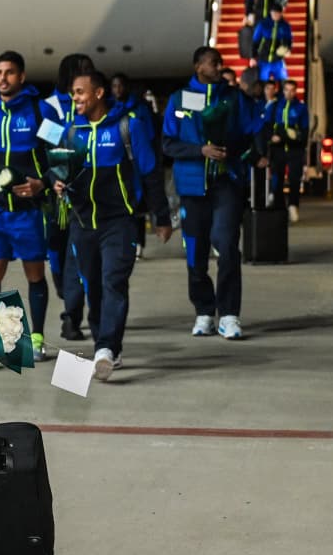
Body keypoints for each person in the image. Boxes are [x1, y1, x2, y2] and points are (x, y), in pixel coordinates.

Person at [54, 70, 171, 380]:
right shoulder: (72, 131)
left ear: (98, 93)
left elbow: (150, 172)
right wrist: (57, 182)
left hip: (119, 222)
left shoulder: (127, 127)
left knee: (113, 282)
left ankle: (107, 347)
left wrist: (161, 216)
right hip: (82, 223)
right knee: (92, 286)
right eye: (73, 93)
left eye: (80, 92)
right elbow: (60, 170)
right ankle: (104, 346)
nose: (75, 98)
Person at [163, 47, 261, 341]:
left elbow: (252, 131)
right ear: (198, 66)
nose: (220, 67)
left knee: (227, 245)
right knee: (196, 252)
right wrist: (200, 150)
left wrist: (240, 153)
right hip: (192, 185)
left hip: (226, 182)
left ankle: (229, 314)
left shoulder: (233, 98)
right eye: (214, 63)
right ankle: (204, 311)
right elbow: (168, 143)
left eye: (220, 63)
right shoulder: (179, 99)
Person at [0, 50, 51, 365]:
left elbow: (58, 153)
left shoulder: (40, 110)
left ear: (22, 76)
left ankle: (37, 339)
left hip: (29, 209)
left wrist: (42, 183)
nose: (3, 78)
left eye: (10, 72)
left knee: (34, 273)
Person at [42, 53, 95, 340]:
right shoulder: (51, 107)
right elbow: (47, 148)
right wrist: (54, 179)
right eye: (80, 70)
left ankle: (72, 316)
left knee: (78, 256)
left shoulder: (93, 102)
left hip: (88, 193)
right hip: (58, 192)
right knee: (58, 250)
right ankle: (64, 290)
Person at [111, 72, 157, 260]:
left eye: (121, 85)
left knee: (137, 207)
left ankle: (138, 244)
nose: (118, 89)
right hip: (115, 162)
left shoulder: (140, 108)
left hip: (136, 162)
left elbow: (150, 135)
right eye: (114, 86)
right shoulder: (108, 108)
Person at [267, 79, 311, 223]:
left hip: (295, 150)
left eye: (292, 90)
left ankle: (293, 205)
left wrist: (294, 137)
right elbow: (267, 125)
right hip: (278, 150)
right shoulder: (275, 106)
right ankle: (280, 210)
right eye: (287, 90)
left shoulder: (301, 108)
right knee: (277, 179)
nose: (289, 93)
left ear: (295, 91)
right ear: (283, 90)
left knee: (294, 179)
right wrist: (271, 137)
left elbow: (304, 131)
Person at [252, 6, 293, 83]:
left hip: (278, 59)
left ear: (281, 13)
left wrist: (288, 50)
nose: (275, 15)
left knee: (283, 81)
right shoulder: (263, 24)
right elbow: (255, 41)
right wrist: (253, 57)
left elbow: (289, 40)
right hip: (263, 58)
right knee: (262, 82)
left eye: (277, 13)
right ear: (270, 13)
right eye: (274, 13)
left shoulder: (285, 26)